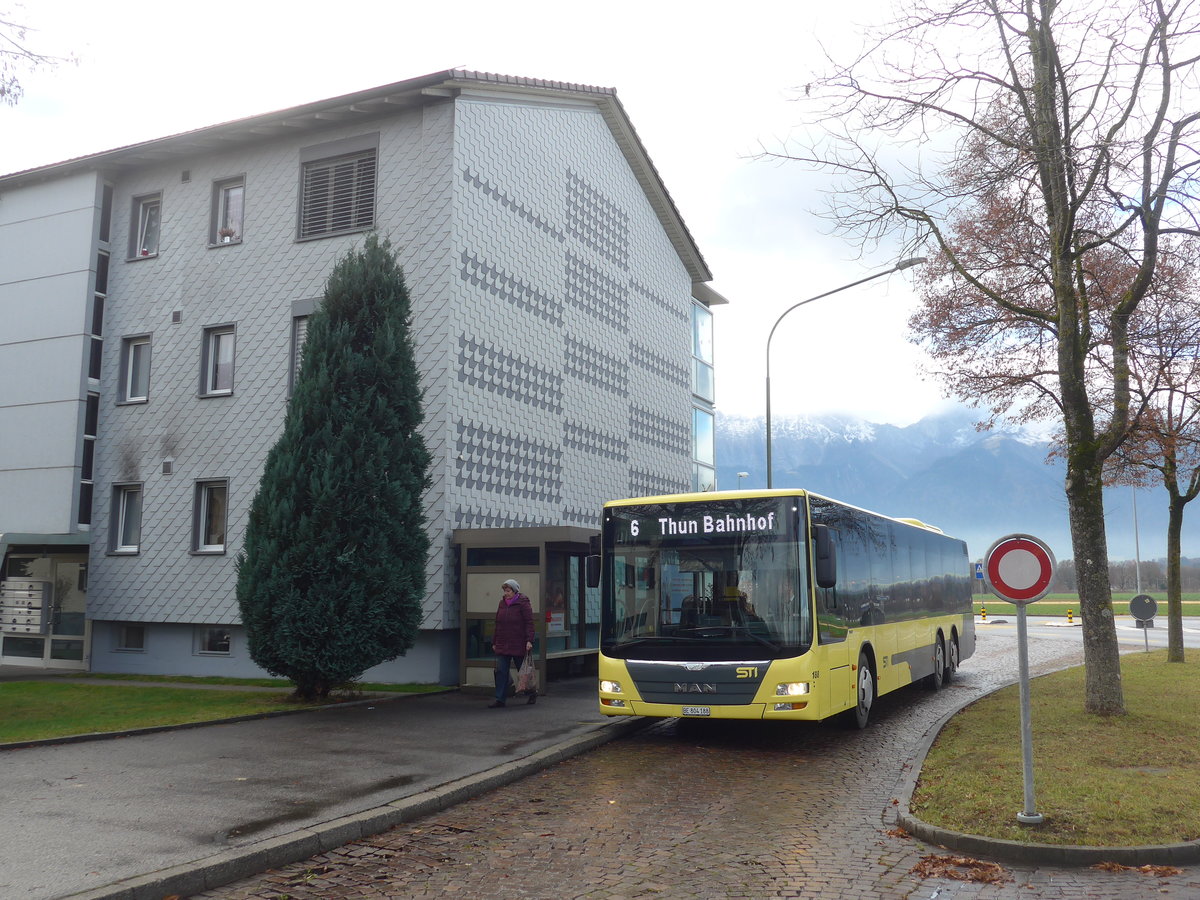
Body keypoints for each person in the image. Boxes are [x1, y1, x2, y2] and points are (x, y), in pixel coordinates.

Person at [489, 578, 535, 708]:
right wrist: (495, 641)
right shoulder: (502, 604)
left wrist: (529, 640)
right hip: (503, 643)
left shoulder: (523, 603)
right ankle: (500, 699)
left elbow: (529, 622)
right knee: (501, 671)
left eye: (508, 590)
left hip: (518, 642)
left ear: (515, 591)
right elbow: (498, 624)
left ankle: (531, 692)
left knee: (524, 671)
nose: (506, 593)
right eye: (505, 591)